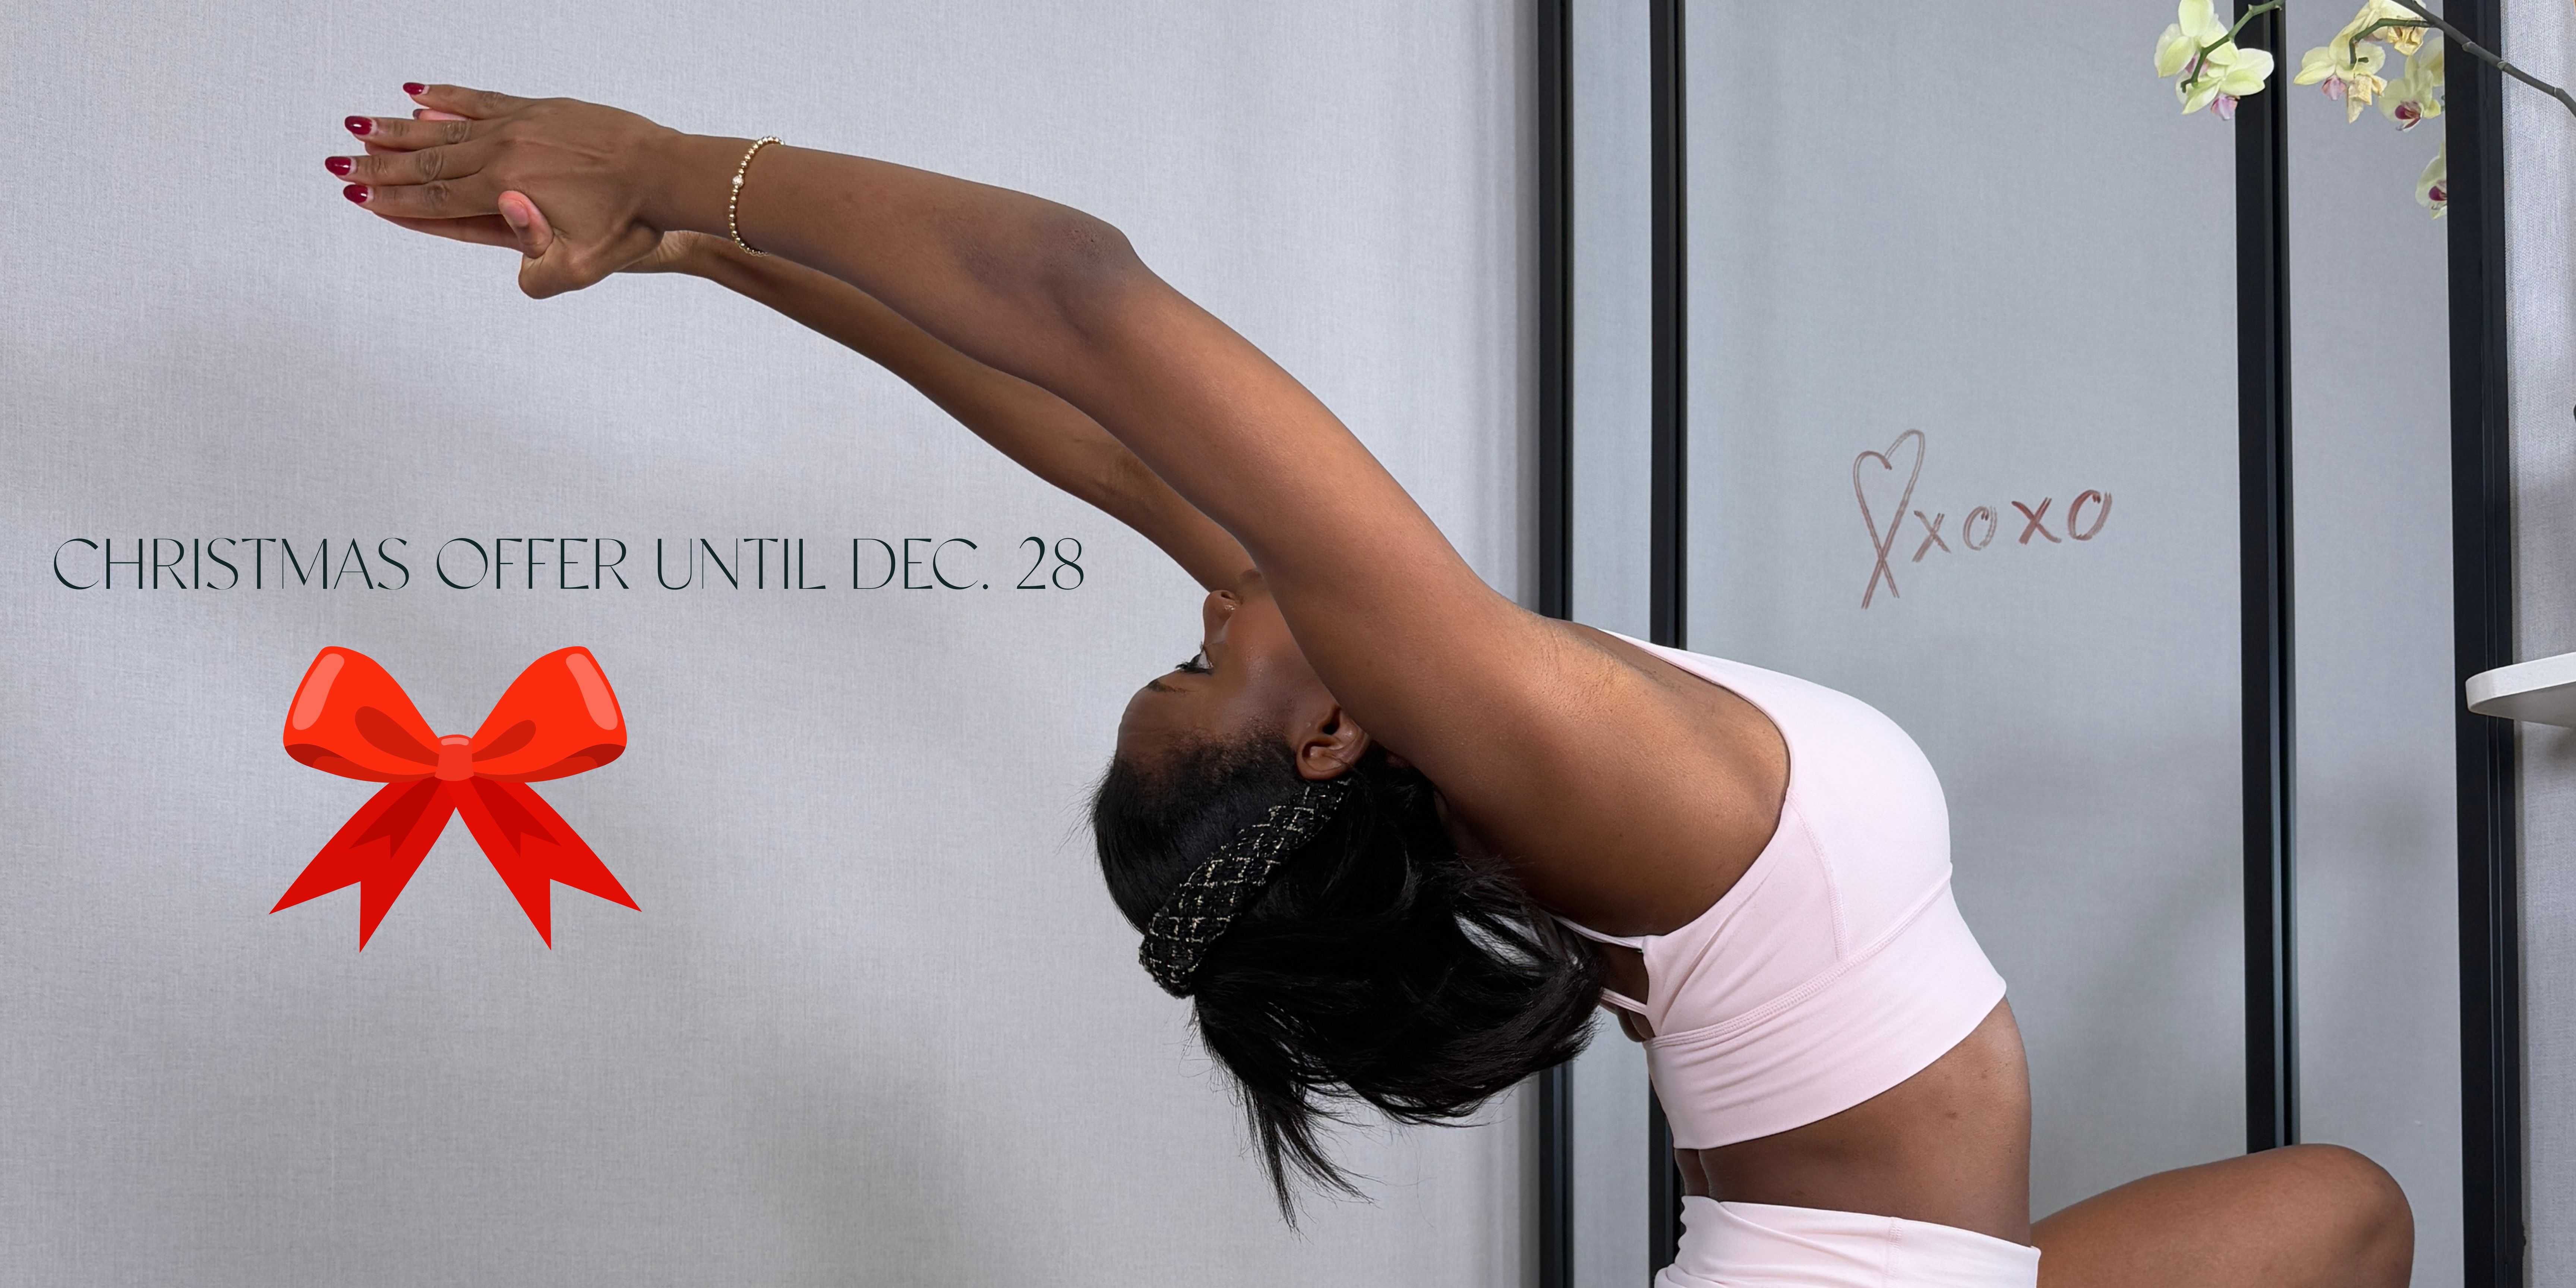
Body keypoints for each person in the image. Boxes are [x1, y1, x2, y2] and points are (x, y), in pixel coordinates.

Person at [330, 83, 2416, 1288]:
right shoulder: (1533, 738)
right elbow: (1078, 298)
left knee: (2345, 1217)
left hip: (1850, 1269)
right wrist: (674, 158)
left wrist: (720, 263)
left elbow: (1084, 429)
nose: (1211, 600)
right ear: (1330, 738)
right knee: (2345, 1217)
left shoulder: (1440, 731)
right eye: (1195, 662)